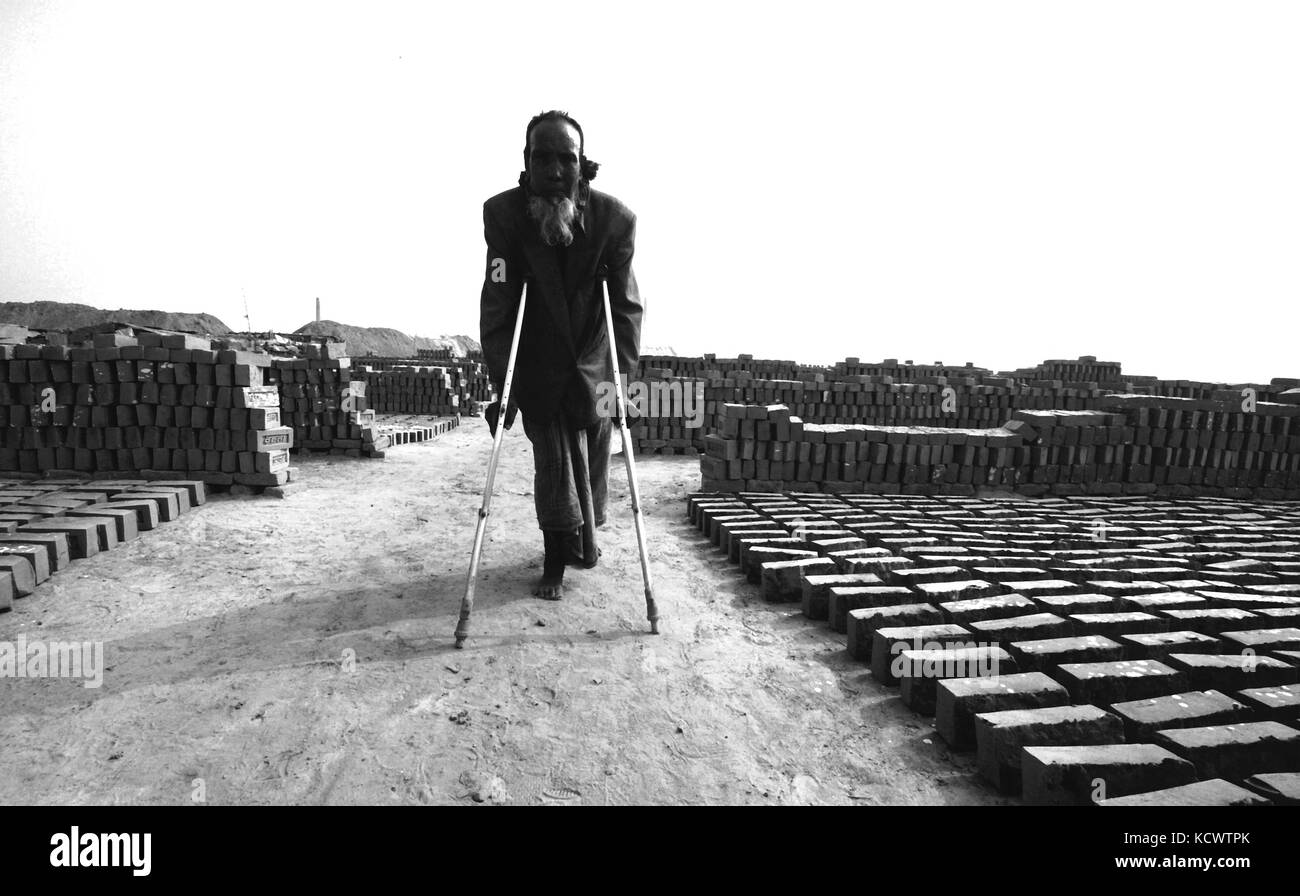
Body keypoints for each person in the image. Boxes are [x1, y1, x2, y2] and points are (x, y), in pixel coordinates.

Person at [479, 110, 642, 600]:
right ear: (526, 164)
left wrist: (623, 386)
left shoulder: (615, 221)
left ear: (582, 165)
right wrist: (500, 387)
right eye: (542, 158)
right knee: (553, 467)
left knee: (590, 468)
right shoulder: (504, 216)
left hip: (591, 361)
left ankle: (581, 544)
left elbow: (627, 306)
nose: (554, 170)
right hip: (537, 364)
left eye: (565, 159)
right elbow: (499, 299)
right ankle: (553, 555)